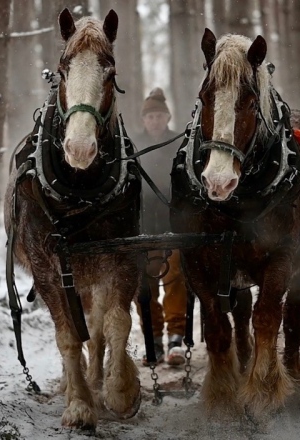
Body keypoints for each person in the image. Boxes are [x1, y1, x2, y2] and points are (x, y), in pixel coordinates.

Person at [133, 87, 188, 366]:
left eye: (158, 115)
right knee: (145, 286)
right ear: (144, 120)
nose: (154, 120)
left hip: (173, 225)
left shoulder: (180, 143)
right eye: (150, 116)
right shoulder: (132, 146)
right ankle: (152, 339)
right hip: (143, 227)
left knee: (176, 278)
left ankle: (176, 338)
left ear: (167, 117)